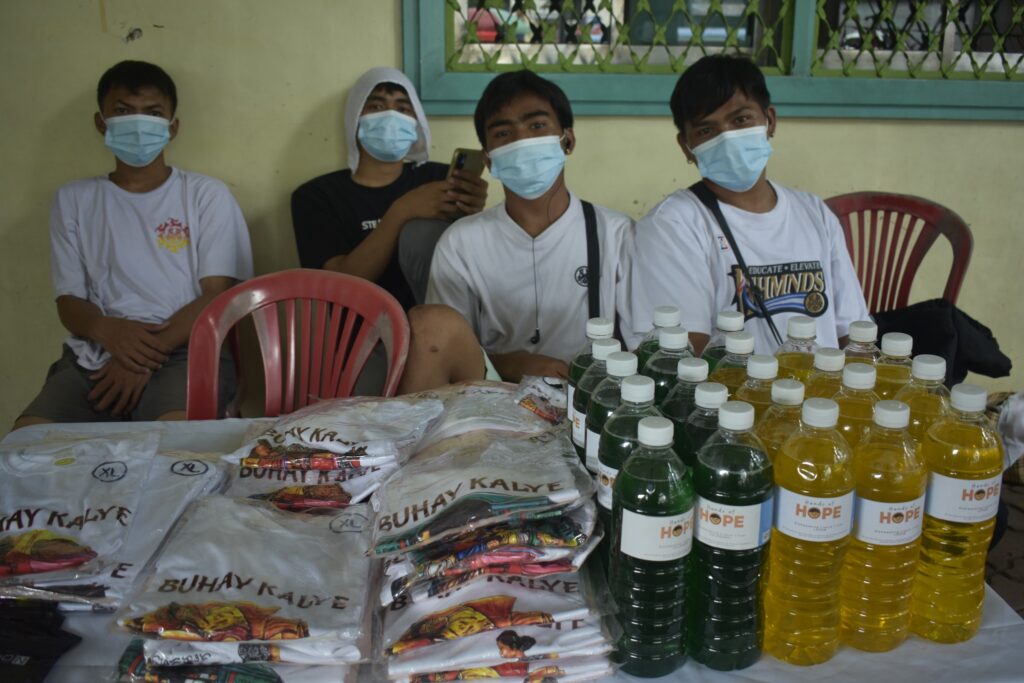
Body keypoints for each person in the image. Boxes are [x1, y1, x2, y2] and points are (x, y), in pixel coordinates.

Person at [14, 61, 253, 429]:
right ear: (101, 122)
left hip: (185, 349)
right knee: (28, 444)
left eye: (153, 113)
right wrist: (111, 334)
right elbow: (69, 303)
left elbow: (217, 296)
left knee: (173, 450)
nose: (138, 123)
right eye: (123, 111)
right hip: (95, 352)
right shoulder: (73, 199)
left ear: (173, 128)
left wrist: (139, 358)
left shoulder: (206, 195)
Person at [626, 55, 869, 355]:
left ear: (770, 121)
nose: (727, 138)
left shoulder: (814, 212)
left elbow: (853, 334)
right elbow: (684, 353)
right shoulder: (675, 224)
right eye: (707, 130)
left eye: (741, 120)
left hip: (824, 396)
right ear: (686, 147)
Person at [427, 71, 634, 382]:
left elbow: (643, 344)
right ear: (489, 160)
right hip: (492, 401)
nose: (522, 142)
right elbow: (444, 348)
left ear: (568, 141)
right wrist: (508, 364)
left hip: (590, 401)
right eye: (503, 134)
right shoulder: (461, 243)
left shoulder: (617, 234)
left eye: (537, 126)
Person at [291, 67, 488, 309]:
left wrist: (474, 216)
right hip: (359, 336)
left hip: (439, 328)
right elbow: (339, 286)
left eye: (403, 109)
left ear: (416, 122)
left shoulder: (439, 178)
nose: (391, 117)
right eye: (376, 107)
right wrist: (401, 211)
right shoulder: (317, 196)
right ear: (355, 117)